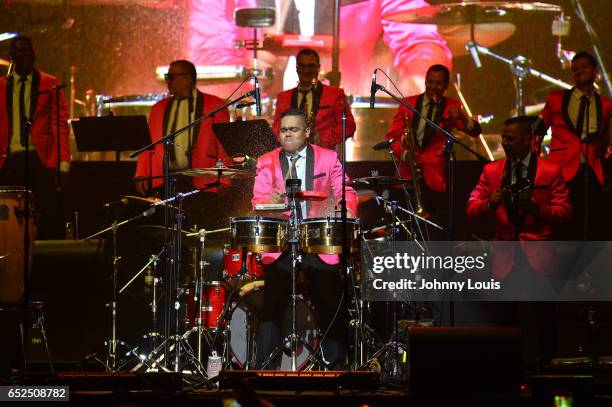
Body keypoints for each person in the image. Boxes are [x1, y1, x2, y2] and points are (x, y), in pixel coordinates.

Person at [251, 108, 358, 369]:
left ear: (307, 132)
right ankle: (266, 366)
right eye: (284, 130)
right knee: (273, 300)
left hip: (316, 239)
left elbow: (345, 190)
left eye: (293, 130)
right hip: (281, 242)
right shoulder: (266, 161)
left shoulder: (327, 158)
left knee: (329, 299)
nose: (287, 135)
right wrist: (271, 203)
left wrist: (350, 209)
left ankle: (336, 366)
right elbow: (258, 201)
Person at [188, 0, 452, 97]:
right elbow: (206, 61)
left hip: (343, 121)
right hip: (257, 126)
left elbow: (419, 41)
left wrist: (421, 79)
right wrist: (250, 72)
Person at [466, 116, 572, 280]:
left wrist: (539, 209)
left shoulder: (551, 171)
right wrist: (489, 204)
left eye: (510, 139)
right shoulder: (491, 171)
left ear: (527, 139)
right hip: (504, 262)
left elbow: (565, 212)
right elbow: (471, 207)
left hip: (540, 261)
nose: (504, 143)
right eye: (503, 138)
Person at [385, 64, 482, 235]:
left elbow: (475, 131)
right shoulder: (408, 103)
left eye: (438, 83)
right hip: (408, 174)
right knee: (406, 229)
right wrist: (406, 154)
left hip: (435, 177)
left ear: (446, 86)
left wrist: (461, 117)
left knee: (434, 230)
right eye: (430, 82)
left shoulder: (452, 106)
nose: (433, 87)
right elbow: (391, 138)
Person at [536, 51, 612, 240]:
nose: (579, 71)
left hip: (591, 169)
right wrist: (535, 163)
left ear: (595, 71)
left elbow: (604, 139)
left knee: (590, 221)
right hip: (562, 168)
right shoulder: (556, 98)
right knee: (561, 220)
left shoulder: (606, 104)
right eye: (575, 69)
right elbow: (538, 131)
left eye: (584, 67)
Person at [0, 35, 70, 239]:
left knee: (46, 213)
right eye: (20, 50)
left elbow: (60, 125)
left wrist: (63, 163)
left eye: (29, 50)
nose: (26, 54)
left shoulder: (50, 83)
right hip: (9, 158)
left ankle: (45, 261)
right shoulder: (3, 86)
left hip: (40, 158)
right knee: (10, 217)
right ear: (12, 55)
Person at [134, 59, 231, 195]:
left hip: (203, 181)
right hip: (165, 180)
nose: (167, 81)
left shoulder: (215, 105)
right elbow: (147, 144)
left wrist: (225, 179)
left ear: (187, 79)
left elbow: (223, 146)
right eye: (167, 77)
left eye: (171, 77)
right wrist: (142, 174)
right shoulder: (158, 108)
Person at [272, 48, 356, 150]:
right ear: (297, 68)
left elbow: (348, 126)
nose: (306, 70)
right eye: (302, 66)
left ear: (318, 68)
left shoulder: (334, 94)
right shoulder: (283, 97)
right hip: (292, 160)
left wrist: (322, 139)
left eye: (311, 66)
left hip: (323, 159)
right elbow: (276, 129)